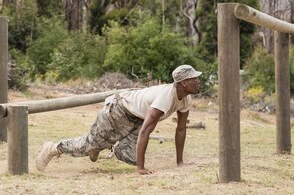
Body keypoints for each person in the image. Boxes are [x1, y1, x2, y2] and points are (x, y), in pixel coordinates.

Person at [36, 64, 202, 175]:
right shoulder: (165, 98)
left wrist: (180, 162)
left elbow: (181, 129)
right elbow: (145, 130)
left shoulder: (186, 99)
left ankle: (111, 145)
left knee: (130, 154)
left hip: (137, 117)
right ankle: (54, 148)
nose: (198, 81)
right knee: (87, 146)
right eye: (195, 79)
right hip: (119, 109)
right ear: (184, 83)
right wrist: (141, 168)